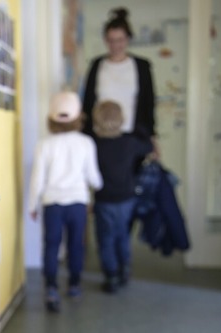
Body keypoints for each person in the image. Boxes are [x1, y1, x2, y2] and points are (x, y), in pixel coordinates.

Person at [28, 92, 103, 312]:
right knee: (75, 245)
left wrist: (33, 205)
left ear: (51, 118)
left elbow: (37, 178)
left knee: (51, 245)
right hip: (78, 203)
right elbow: (94, 178)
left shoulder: (44, 144)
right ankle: (74, 285)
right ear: (79, 117)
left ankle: (51, 288)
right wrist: (99, 186)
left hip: (52, 203)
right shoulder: (86, 143)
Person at [92, 101, 154, 293]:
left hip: (104, 199)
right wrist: (140, 129)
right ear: (121, 119)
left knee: (105, 238)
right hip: (127, 198)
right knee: (122, 236)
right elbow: (148, 146)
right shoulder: (129, 142)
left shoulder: (94, 144)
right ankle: (124, 269)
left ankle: (111, 276)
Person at [81, 7, 158, 153]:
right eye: (111, 40)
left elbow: (149, 103)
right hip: (100, 137)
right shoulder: (97, 65)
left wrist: (152, 137)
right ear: (105, 40)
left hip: (133, 136)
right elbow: (88, 102)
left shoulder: (142, 66)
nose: (115, 45)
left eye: (120, 40)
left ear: (128, 39)